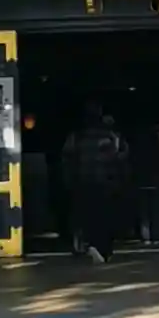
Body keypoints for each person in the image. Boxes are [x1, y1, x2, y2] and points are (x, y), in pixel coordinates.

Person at [62, 104, 128, 264]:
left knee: (88, 216)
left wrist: (69, 181)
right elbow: (122, 157)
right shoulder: (111, 136)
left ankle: (90, 243)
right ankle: (104, 249)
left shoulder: (76, 137)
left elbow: (67, 160)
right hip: (106, 182)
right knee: (106, 217)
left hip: (83, 181)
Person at [130, 119, 159, 247]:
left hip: (141, 182)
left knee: (144, 212)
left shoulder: (136, 149)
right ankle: (157, 236)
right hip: (157, 182)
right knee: (157, 211)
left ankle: (145, 236)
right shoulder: (158, 148)